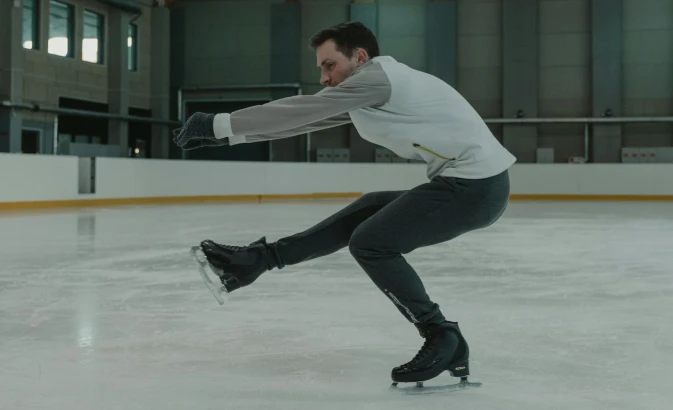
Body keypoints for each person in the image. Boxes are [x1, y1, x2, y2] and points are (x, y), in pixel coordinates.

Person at [174, 21, 515, 389]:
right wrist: (225, 136)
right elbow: (305, 119)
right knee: (369, 209)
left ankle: (441, 334)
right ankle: (261, 259)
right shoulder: (368, 88)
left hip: (476, 187)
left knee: (371, 242)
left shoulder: (377, 80)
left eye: (329, 65)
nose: (324, 77)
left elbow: (301, 109)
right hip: (468, 182)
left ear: (360, 57)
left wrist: (216, 123)